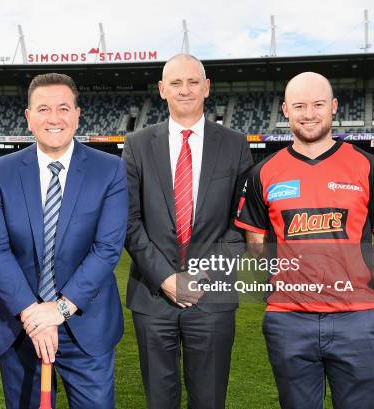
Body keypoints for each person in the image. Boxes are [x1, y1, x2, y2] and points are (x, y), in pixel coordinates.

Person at [235, 72, 374, 409]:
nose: (309, 113)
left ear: (333, 107)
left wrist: (357, 277)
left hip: (356, 319)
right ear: (285, 109)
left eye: (317, 104)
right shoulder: (264, 173)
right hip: (288, 319)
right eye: (299, 105)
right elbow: (256, 243)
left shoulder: (367, 166)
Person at [0, 73, 127, 409]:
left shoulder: (110, 170)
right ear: (28, 117)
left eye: (63, 108)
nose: (54, 118)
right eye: (43, 109)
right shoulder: (1, 170)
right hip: (20, 323)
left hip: (85, 322)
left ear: (77, 113)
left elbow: (107, 249)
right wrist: (34, 314)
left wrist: (58, 310)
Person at [123, 54, 253, 409]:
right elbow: (129, 222)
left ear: (206, 87)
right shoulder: (136, 144)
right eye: (176, 83)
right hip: (152, 296)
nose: (185, 90)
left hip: (211, 297)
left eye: (193, 82)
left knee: (209, 400)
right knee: (159, 401)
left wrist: (199, 276)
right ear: (162, 89)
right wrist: (166, 277)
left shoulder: (235, 143)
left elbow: (242, 223)